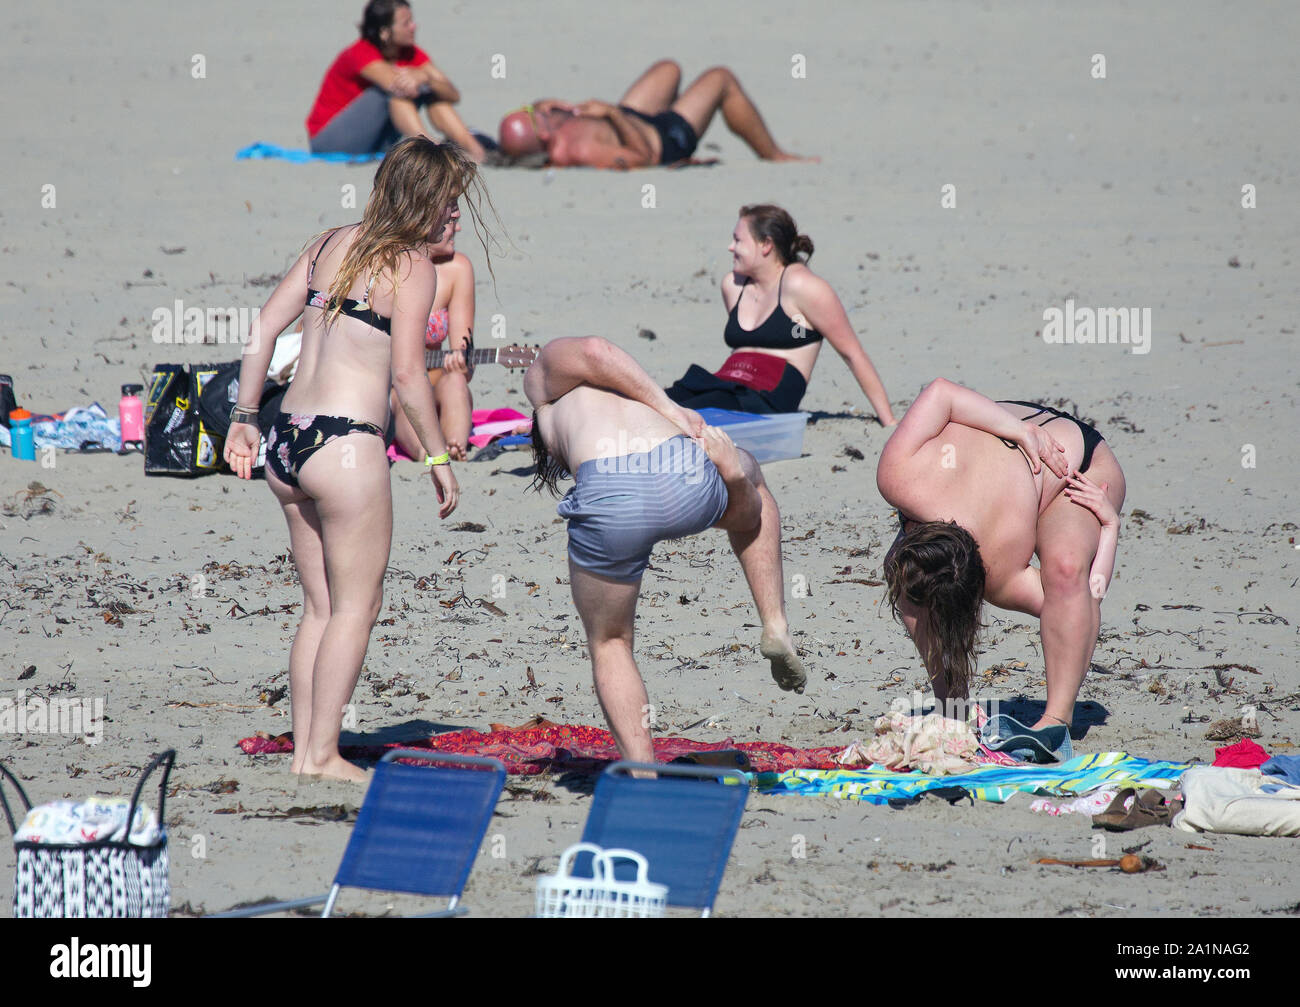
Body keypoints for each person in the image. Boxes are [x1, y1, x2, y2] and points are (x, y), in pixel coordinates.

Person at [224, 138, 491, 782]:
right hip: (345, 447)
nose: (455, 219)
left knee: (319, 606)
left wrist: (243, 416)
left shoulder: (328, 243)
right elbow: (407, 375)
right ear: (422, 204)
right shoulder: (413, 266)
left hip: (287, 441)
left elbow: (264, 327)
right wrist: (436, 460)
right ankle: (321, 755)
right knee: (355, 607)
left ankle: (303, 750)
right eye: (450, 207)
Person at [525, 337, 806, 763]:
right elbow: (598, 351)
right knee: (750, 482)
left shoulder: (542, 394)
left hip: (610, 491)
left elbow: (597, 355)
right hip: (683, 471)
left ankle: (642, 776)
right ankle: (775, 623)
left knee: (611, 642)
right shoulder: (620, 391)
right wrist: (672, 411)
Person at [875, 378, 1125, 757]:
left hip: (1078, 467)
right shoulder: (899, 475)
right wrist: (1020, 431)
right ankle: (953, 708)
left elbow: (1083, 601)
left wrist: (1109, 528)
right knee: (910, 588)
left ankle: (1057, 719)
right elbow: (939, 393)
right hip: (1018, 451)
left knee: (1065, 570)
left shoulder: (1000, 570)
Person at [665, 205, 896, 421]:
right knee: (651, 399)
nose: (730, 247)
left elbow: (852, 353)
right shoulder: (733, 285)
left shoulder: (804, 287)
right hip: (725, 383)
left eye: (738, 240)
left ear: (766, 245)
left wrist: (889, 421)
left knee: (678, 415)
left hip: (766, 396)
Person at [497, 59, 814, 169]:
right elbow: (643, 156)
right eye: (533, 114)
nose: (537, 109)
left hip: (629, 118)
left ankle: (677, 108)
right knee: (721, 79)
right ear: (545, 136)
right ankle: (774, 155)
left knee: (669, 69)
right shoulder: (581, 150)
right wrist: (612, 113)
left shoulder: (546, 130)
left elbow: (537, 115)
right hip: (663, 139)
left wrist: (547, 103)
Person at [306, 0, 488, 162]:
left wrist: (426, 78)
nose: (414, 26)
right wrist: (423, 78)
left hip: (372, 140)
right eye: (406, 23)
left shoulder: (411, 53)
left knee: (432, 91)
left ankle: (475, 151)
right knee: (395, 92)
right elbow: (403, 87)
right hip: (329, 141)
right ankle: (430, 148)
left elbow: (453, 94)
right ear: (384, 32)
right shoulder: (360, 52)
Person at [388, 229, 476, 461]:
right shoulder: (385, 266)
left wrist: (462, 364)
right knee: (405, 392)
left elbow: (464, 353)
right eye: (451, 221)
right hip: (391, 386)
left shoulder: (457, 268)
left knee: (456, 381)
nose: (457, 228)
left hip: (433, 378)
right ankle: (424, 452)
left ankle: (455, 445)